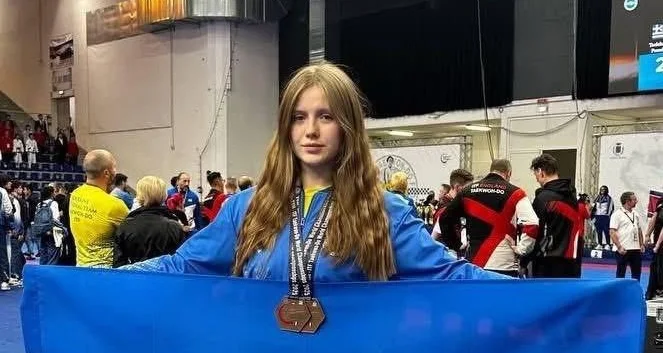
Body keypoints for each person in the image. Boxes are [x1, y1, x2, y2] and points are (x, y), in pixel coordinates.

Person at [123, 63, 500, 287]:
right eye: (299, 117)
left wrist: (536, 298)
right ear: (285, 127)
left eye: (326, 116)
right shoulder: (246, 209)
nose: (311, 131)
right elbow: (182, 267)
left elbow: (451, 277)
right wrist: (98, 283)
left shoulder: (385, 212)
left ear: (347, 126)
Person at [439, 159, 539, 277]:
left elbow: (445, 218)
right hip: (503, 263)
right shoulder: (517, 193)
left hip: (474, 263)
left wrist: (456, 245)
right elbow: (532, 224)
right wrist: (522, 249)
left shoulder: (467, 191)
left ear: (491, 170)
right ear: (509, 173)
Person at [69, 150, 129, 267]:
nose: (115, 171)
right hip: (106, 270)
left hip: (81, 266)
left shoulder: (75, 195)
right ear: (106, 173)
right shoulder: (114, 204)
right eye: (114, 167)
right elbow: (134, 235)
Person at [113, 176, 186, 267]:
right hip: (166, 273)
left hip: (136, 274)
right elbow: (181, 262)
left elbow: (119, 264)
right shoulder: (174, 226)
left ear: (139, 196)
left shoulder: (125, 226)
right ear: (164, 196)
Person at [530, 154, 580, 278]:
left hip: (547, 264)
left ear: (541, 172)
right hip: (572, 263)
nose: (536, 179)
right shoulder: (572, 197)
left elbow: (534, 231)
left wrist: (525, 260)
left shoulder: (543, 198)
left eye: (536, 175)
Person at [610, 191, 644, 281]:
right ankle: (619, 289)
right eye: (634, 200)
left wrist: (641, 244)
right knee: (621, 273)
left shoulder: (636, 214)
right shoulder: (617, 214)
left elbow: (639, 230)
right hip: (623, 249)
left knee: (637, 273)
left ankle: (635, 289)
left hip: (635, 248)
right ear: (627, 201)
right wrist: (619, 247)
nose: (636, 201)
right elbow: (612, 232)